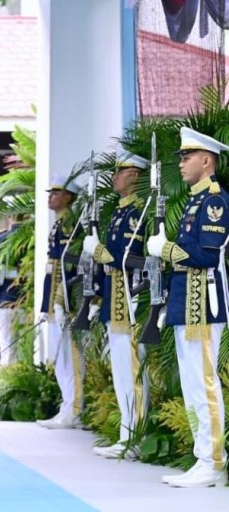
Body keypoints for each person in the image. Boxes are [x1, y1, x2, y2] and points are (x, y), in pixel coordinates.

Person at [151, 128, 229, 488]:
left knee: (204, 384)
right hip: (187, 302)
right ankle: (203, 458)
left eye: (187, 156)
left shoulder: (214, 201)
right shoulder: (194, 201)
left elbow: (204, 256)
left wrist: (165, 250)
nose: (180, 163)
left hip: (205, 304)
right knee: (192, 385)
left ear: (207, 161)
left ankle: (213, 461)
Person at [83, 150, 149, 459]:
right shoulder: (120, 213)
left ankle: (134, 436)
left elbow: (135, 259)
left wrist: (99, 252)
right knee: (121, 369)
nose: (115, 176)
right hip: (114, 296)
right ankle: (126, 432)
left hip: (130, 298)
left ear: (134, 176)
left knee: (132, 367)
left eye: (121, 172)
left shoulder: (137, 213)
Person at [37, 173, 84, 429]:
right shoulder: (59, 224)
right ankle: (68, 406)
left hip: (67, 299)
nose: (50, 197)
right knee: (59, 355)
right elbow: (52, 268)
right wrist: (47, 304)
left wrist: (64, 301)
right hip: (56, 299)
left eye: (55, 193)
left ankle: (74, 408)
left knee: (70, 356)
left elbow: (72, 267)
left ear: (67, 197)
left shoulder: (72, 225)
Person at [0, 212, 26, 366]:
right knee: (25, 346)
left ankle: (9, 383)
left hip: (5, 299)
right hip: (27, 300)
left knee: (7, 345)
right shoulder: (32, 238)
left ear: (9, 217)